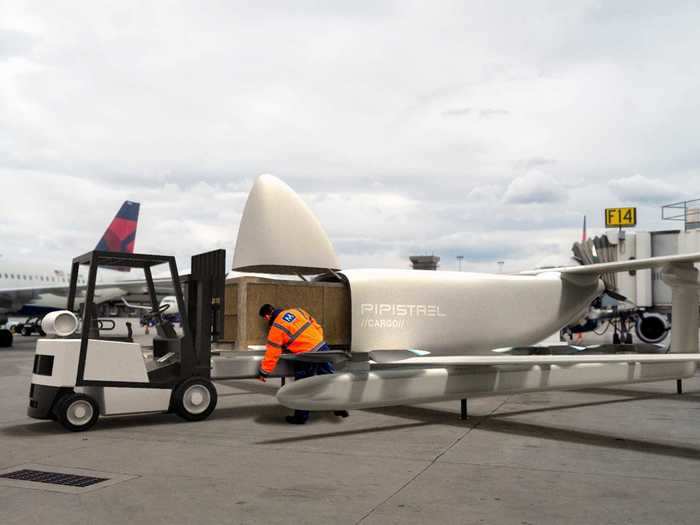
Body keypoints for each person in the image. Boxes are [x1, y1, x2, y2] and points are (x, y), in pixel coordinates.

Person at [257, 303, 349, 424]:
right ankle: (339, 405)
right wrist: (315, 342)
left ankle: (300, 417)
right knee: (328, 378)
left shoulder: (276, 327)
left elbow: (272, 352)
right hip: (321, 347)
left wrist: (264, 372)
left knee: (303, 385)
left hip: (306, 355)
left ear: (267, 316)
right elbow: (317, 326)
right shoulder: (298, 311)